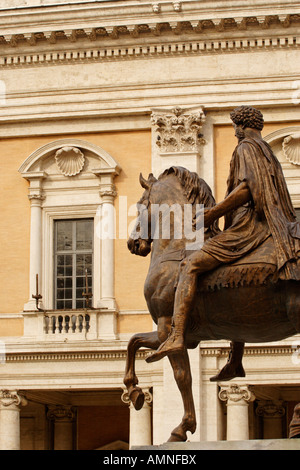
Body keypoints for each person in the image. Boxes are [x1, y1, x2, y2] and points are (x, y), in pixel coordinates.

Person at [146, 105, 300, 381]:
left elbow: (246, 189)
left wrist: (212, 214)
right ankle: (235, 359)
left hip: (250, 227)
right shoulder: (266, 151)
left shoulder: (246, 148)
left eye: (234, 126)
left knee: (190, 265)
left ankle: (177, 335)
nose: (234, 130)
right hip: (269, 223)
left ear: (240, 126)